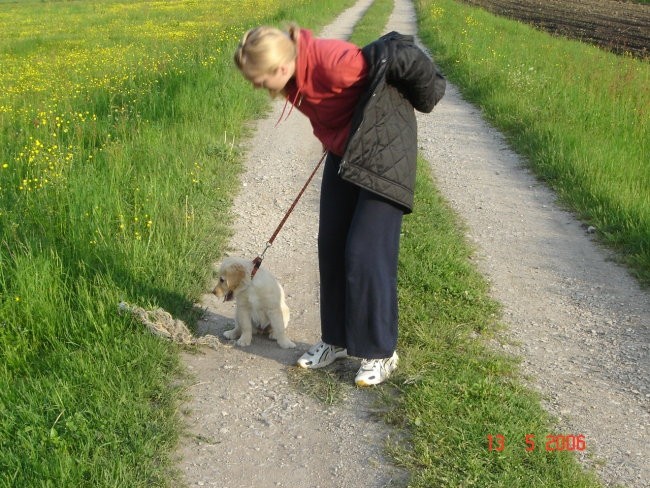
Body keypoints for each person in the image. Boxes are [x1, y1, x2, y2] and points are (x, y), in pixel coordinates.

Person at [233, 24, 445, 386]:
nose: (257, 86)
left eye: (258, 79)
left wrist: (427, 94)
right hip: (346, 153)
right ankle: (338, 341)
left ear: (280, 67)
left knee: (366, 253)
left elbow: (392, 65)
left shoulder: (335, 64)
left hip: (383, 152)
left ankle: (381, 351)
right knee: (331, 244)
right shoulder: (292, 78)